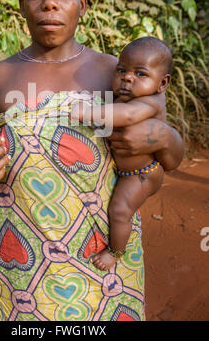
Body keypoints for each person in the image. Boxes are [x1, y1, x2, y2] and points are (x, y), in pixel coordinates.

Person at [0, 0, 184, 321]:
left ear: (82, 4)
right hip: (22, 262)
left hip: (101, 258)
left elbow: (171, 155)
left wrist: (161, 139)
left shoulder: (115, 72)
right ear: (21, 5)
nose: (49, 4)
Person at [70, 37, 173, 271]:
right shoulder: (123, 95)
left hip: (142, 173)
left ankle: (115, 251)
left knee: (119, 210)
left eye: (141, 74)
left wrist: (87, 113)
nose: (127, 77)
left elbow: (125, 116)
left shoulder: (151, 102)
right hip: (126, 169)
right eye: (122, 70)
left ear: (163, 83)